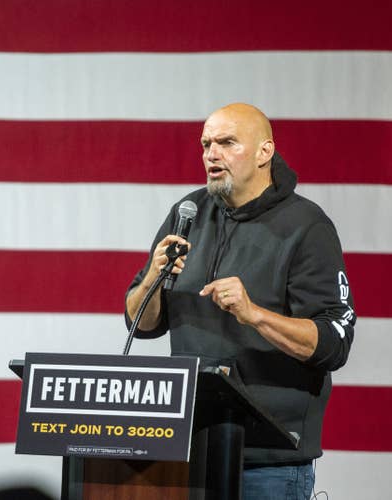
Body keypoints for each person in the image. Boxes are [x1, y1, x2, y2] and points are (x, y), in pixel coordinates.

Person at [125, 103, 355, 500]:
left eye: (227, 143)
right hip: (185, 449)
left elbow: (333, 342)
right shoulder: (189, 213)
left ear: (265, 152)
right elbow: (139, 325)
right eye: (206, 144)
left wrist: (254, 315)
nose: (211, 154)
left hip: (267, 464)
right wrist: (152, 279)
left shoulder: (306, 227)